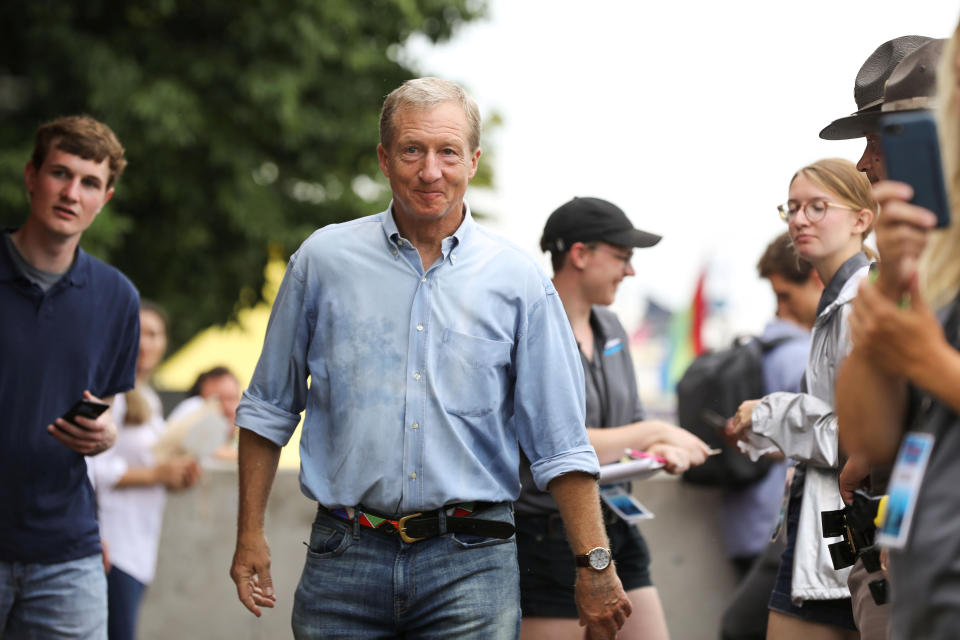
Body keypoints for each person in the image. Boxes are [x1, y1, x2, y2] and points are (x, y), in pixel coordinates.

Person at [229, 77, 631, 639]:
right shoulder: (322, 261)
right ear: (384, 158)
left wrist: (595, 565)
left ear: (473, 160)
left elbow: (560, 443)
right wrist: (249, 533)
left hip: (472, 564)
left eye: (447, 152)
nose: (430, 171)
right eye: (412, 150)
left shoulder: (517, 282)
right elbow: (268, 407)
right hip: (344, 557)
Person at [516, 196, 711, 640]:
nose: (631, 271)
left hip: (617, 523)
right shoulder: (528, 326)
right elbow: (552, 443)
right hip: (546, 533)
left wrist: (655, 449)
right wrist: (657, 430)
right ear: (579, 255)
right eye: (622, 257)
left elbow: (630, 420)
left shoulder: (612, 328)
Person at [836, 18, 960, 640]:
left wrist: (931, 362)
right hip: (923, 585)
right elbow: (877, 442)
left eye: (887, 137)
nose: (864, 161)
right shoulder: (917, 272)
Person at [0, 115, 140, 638]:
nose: (71, 193)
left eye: (88, 182)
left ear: (104, 198)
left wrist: (104, 436)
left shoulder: (117, 297)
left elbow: (101, 411)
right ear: (31, 175)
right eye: (61, 173)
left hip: (66, 553)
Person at [727, 158, 877, 640]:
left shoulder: (859, 303)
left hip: (841, 523)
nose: (799, 219)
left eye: (817, 206)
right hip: (833, 524)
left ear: (861, 219)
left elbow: (859, 434)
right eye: (791, 208)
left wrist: (767, 414)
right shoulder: (843, 299)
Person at [720, 232, 821, 640]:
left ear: (815, 277)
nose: (781, 310)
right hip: (782, 525)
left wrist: (764, 423)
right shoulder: (804, 349)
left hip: (771, 526)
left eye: (785, 295)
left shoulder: (784, 350)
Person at [87, 301, 200, 640]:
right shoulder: (109, 394)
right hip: (110, 546)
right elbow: (92, 468)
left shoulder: (148, 400)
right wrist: (156, 475)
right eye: (139, 333)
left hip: (139, 549)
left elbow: (150, 465)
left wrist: (175, 476)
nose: (146, 342)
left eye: (154, 333)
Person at [167, 365, 242, 459]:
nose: (228, 408)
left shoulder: (237, 437)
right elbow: (203, 448)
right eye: (217, 399)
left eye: (232, 399)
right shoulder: (192, 408)